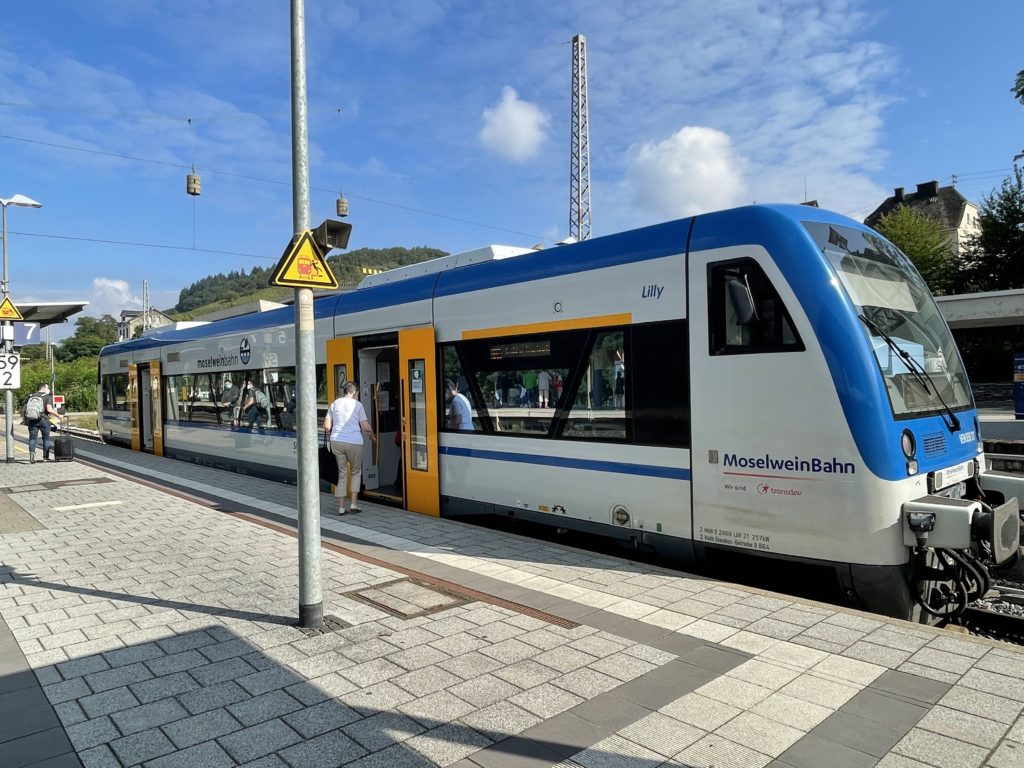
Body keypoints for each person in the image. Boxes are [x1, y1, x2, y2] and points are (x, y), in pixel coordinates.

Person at [323, 382, 376, 514]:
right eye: (357, 393)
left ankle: (341, 508)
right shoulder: (358, 405)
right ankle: (353, 504)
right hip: (354, 442)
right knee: (356, 472)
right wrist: (373, 437)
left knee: (342, 474)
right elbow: (366, 427)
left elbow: (327, 426)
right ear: (354, 392)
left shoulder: (334, 404)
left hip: (337, 442)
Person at [24, 382, 61, 463]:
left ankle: (32, 454)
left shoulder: (31, 396)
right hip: (44, 420)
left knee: (32, 438)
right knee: (46, 439)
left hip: (32, 420)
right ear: (43, 388)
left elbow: (26, 409)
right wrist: (59, 415)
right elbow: (49, 409)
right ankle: (45, 457)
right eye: (47, 388)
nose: (48, 389)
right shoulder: (47, 397)